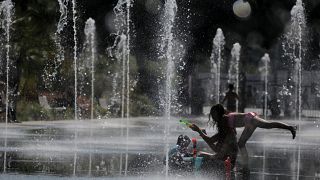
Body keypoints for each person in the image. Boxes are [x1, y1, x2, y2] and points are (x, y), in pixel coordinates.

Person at [206, 104, 297, 171]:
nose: (213, 116)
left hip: (249, 120)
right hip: (250, 118)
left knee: (268, 125)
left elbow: (229, 130)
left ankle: (290, 127)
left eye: (213, 113)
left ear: (218, 113)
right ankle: (246, 168)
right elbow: (231, 129)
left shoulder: (224, 119)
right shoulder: (225, 118)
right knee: (242, 143)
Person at [188, 105, 238, 172]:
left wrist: (198, 131)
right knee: (200, 155)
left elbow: (213, 144)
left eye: (214, 114)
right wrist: (202, 133)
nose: (213, 117)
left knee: (204, 161)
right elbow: (216, 149)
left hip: (227, 164)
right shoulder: (224, 132)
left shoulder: (228, 133)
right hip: (223, 159)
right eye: (212, 114)